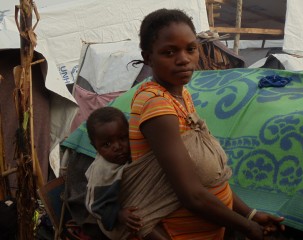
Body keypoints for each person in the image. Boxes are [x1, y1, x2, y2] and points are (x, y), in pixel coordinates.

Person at [128, 8, 285, 240]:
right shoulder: (157, 105)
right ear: (148, 57)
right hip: (177, 233)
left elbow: (212, 178)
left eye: (191, 49)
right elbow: (191, 195)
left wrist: (251, 215)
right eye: (169, 52)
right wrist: (248, 228)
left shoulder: (181, 95)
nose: (184, 59)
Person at [85, 106, 167, 240]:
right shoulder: (102, 172)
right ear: (95, 147)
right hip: (116, 224)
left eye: (123, 138)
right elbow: (93, 205)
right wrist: (118, 215)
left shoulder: (134, 150)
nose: (117, 147)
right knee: (143, 222)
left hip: (131, 206)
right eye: (107, 144)